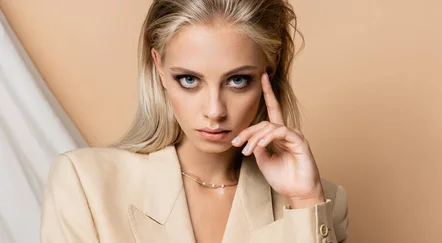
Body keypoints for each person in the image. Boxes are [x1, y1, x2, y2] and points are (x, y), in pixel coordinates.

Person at [40, 0, 348, 242]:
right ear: (159, 66)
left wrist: (306, 200)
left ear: (270, 68)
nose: (214, 111)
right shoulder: (86, 184)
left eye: (238, 80)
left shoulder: (321, 204)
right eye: (189, 79)